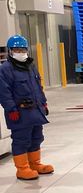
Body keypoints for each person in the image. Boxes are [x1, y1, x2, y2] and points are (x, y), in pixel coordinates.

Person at [0, 35, 54, 181]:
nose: (20, 52)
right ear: (10, 51)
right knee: (21, 139)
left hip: (35, 110)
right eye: (17, 50)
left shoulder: (30, 66)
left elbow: (38, 87)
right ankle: (22, 169)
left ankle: (35, 164)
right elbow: (4, 93)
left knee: (37, 137)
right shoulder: (5, 69)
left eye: (23, 49)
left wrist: (43, 103)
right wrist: (11, 109)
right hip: (20, 112)